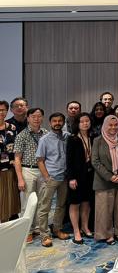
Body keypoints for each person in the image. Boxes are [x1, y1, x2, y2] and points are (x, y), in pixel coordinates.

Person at [14, 107, 49, 243]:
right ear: (28, 118)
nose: (36, 119)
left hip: (43, 171)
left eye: (39, 116)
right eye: (33, 116)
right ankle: (26, 231)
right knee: (27, 202)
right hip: (27, 170)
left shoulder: (46, 134)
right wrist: (20, 179)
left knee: (42, 202)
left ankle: (39, 229)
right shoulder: (22, 135)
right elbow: (17, 159)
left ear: (42, 118)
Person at [92, 115, 118, 245]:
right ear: (105, 126)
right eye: (110, 125)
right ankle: (106, 234)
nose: (113, 127)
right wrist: (109, 176)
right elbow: (95, 161)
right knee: (104, 210)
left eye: (115, 125)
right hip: (103, 180)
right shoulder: (98, 140)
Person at [36, 112, 71, 247]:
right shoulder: (44, 139)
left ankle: (57, 229)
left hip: (64, 177)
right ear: (50, 123)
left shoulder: (67, 137)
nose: (57, 123)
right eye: (54, 121)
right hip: (50, 177)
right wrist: (46, 177)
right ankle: (44, 235)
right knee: (45, 207)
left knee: (61, 206)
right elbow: (40, 160)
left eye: (60, 121)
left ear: (63, 122)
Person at [66, 113, 95, 244]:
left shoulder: (93, 137)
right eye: (82, 121)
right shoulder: (73, 139)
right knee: (75, 203)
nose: (85, 123)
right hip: (76, 177)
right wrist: (71, 178)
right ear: (77, 124)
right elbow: (69, 160)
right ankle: (76, 230)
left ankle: (85, 226)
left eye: (87, 121)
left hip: (90, 175)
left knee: (86, 202)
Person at [0, 100, 20, 223]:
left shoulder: (12, 128)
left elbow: (16, 148)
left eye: (3, 110)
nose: (1, 112)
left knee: (9, 197)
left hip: (10, 168)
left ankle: (7, 224)